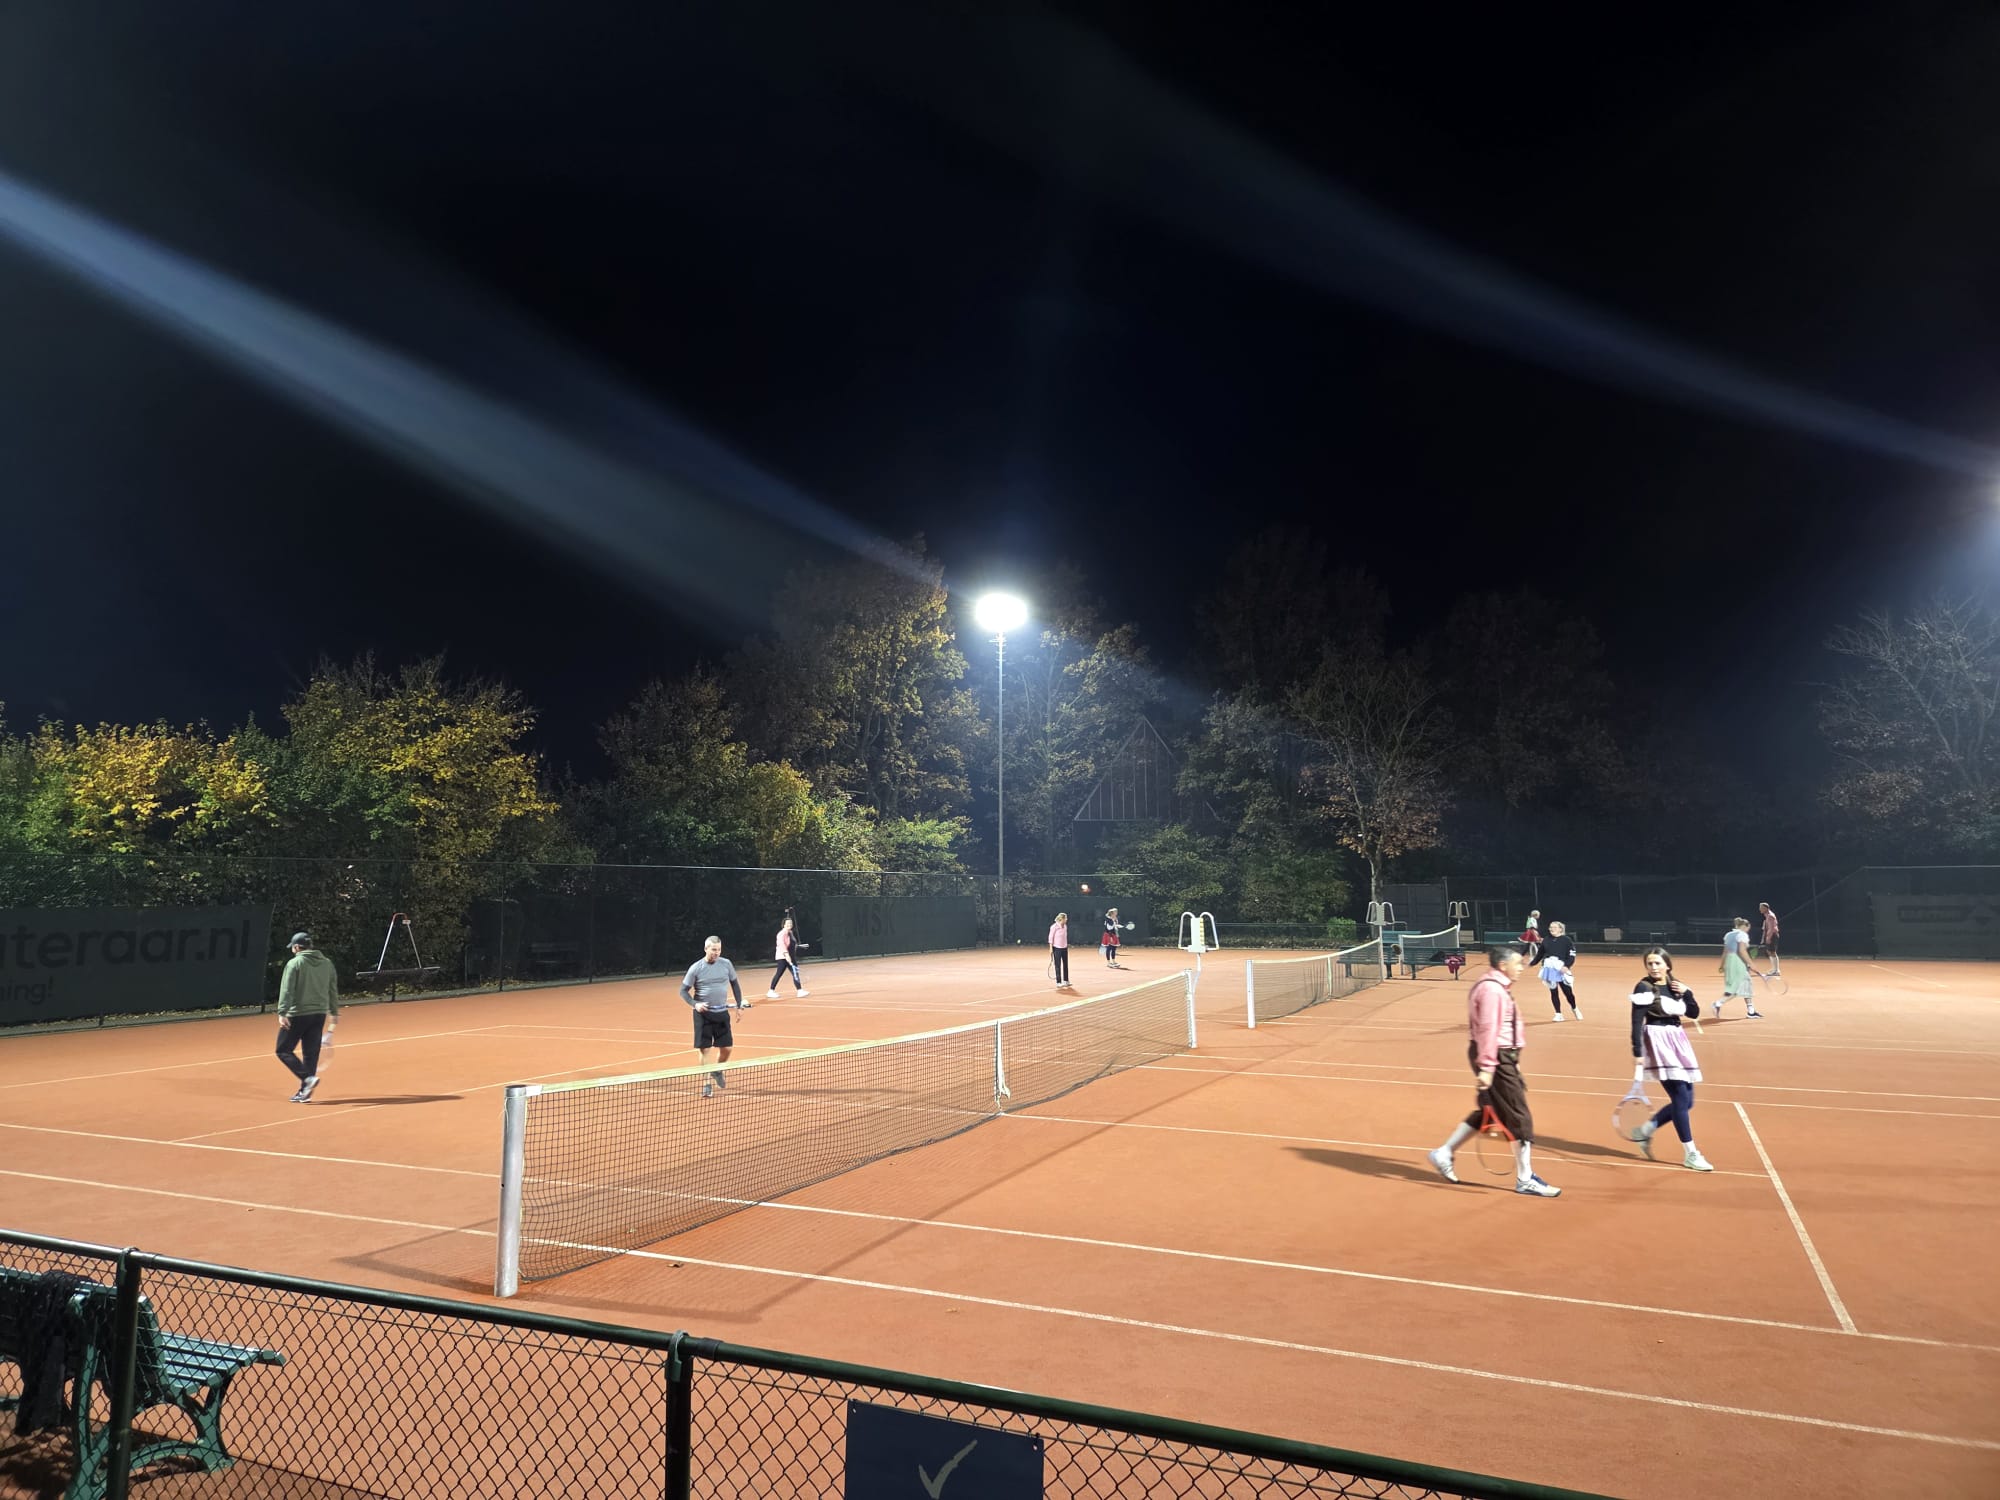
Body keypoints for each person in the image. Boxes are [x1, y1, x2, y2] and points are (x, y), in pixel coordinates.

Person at [1426, 945, 1561, 1196]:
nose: (1521, 968)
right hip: (1495, 1056)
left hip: (1501, 1056)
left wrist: (1512, 1060)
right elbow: (1488, 1030)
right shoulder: (1492, 990)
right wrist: (1488, 1067)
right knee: (1519, 1115)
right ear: (1503, 965)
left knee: (1492, 1111)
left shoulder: (1495, 987)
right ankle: (1525, 1178)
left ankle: (1444, 1153)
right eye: (1518, 963)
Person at [1629, 947, 1713, 1171]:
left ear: (1667, 965)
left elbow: (1693, 1013)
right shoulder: (1644, 987)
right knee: (1680, 1097)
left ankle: (1644, 1131)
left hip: (1678, 1041)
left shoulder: (1676, 985)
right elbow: (1636, 1021)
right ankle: (1691, 1153)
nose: (1653, 967)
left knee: (1687, 1101)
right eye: (1650, 964)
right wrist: (1637, 1052)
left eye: (1657, 963)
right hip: (1658, 1042)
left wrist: (1687, 992)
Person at [276, 931, 340, 1103]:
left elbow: (287, 990)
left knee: (282, 1050)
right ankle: (305, 1092)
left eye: (293, 947)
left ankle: (307, 1079)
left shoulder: (294, 963)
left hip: (298, 1014)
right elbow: (332, 989)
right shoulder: (327, 963)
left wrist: (282, 1012)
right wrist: (334, 1012)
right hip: (319, 1015)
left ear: (297, 947)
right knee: (310, 1054)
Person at [680, 935, 744, 1098]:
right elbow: (683, 991)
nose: (717, 953)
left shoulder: (726, 964)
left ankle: (717, 1070)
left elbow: (735, 984)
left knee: (727, 1048)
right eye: (714, 950)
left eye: (719, 950)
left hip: (721, 1013)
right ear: (706, 949)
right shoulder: (696, 968)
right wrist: (695, 1004)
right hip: (703, 1014)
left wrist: (739, 1005)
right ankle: (707, 1084)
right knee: (705, 1049)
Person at [1715, 916, 1763, 1019]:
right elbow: (1742, 951)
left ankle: (1751, 1011)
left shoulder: (1728, 935)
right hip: (1738, 961)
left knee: (1745, 984)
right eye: (1748, 928)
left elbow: (1725, 952)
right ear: (1745, 926)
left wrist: (1721, 966)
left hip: (1729, 961)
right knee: (1739, 987)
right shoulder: (1742, 935)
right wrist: (1751, 964)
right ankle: (1718, 1003)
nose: (1748, 930)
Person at [1537, 919, 1580, 1020]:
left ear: (1560, 929)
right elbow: (1540, 953)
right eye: (1551, 927)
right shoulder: (1546, 940)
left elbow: (1572, 955)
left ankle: (1574, 1008)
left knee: (1567, 992)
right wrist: (1532, 963)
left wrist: (1566, 966)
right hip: (1550, 969)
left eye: (1554, 927)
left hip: (1561, 968)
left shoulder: (1566, 940)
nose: (1552, 929)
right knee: (1553, 991)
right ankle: (1558, 1014)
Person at [766, 914, 810, 1000]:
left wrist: (798, 946)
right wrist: (787, 956)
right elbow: (782, 946)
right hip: (782, 957)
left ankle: (800, 991)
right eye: (788, 923)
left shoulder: (790, 933)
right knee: (779, 974)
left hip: (791, 956)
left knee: (795, 974)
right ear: (784, 925)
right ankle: (771, 991)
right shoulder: (781, 934)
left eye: (791, 923)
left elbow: (792, 944)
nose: (790, 924)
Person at [1048, 912, 1071, 988]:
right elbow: (1050, 938)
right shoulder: (1054, 927)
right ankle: (1058, 982)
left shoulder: (1065, 926)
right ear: (1062, 919)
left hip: (1064, 948)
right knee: (1058, 965)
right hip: (1057, 948)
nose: (1066, 919)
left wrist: (1066, 945)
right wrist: (1051, 948)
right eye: (1065, 918)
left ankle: (1066, 981)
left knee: (1065, 964)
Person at [1758, 901, 1782, 975]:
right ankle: (1774, 969)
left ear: (1766, 908)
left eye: (1761, 908)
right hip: (1770, 936)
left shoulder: (1770, 916)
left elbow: (1771, 928)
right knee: (1769, 952)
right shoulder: (1767, 916)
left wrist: (1768, 938)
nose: (1760, 909)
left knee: (1772, 952)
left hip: (1772, 935)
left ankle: (1776, 970)